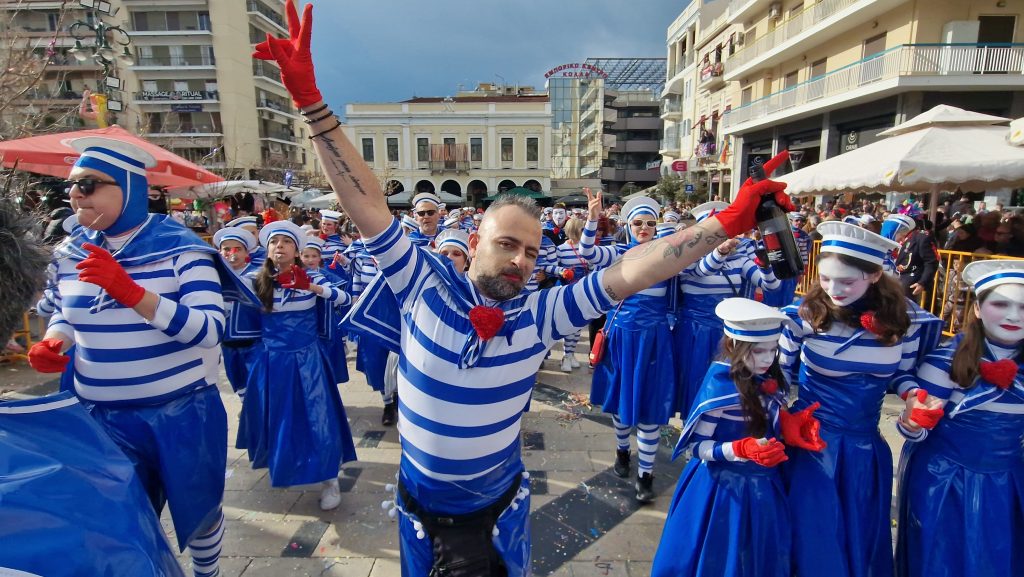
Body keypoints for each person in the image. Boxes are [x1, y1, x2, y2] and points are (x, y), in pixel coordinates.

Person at [253, 6, 791, 573]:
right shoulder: (422, 283)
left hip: (495, 516)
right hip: (417, 511)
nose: (520, 259)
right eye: (508, 243)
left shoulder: (540, 315)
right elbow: (365, 201)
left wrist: (726, 222)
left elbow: (634, 271)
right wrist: (313, 105)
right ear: (477, 239)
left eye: (532, 252)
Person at [26, 137, 234, 577]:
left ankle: (207, 574)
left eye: (87, 184)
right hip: (100, 415)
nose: (75, 195)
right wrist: (56, 341)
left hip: (180, 412)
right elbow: (65, 311)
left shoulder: (182, 248)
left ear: (127, 187)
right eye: (72, 186)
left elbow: (210, 329)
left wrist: (133, 293)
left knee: (199, 511)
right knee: (120, 517)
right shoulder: (69, 252)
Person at [779, 221, 942, 577]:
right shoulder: (801, 318)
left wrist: (913, 396)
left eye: (847, 281)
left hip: (865, 451)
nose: (833, 290)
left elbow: (903, 373)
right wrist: (783, 419)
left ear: (874, 275)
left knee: (859, 541)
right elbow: (775, 379)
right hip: (809, 445)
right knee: (812, 541)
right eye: (824, 279)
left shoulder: (907, 322)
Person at [651, 298, 807, 577]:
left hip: (765, 486)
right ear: (734, 346)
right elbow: (696, 448)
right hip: (721, 491)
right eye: (758, 351)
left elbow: (768, 422)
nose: (767, 359)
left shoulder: (768, 381)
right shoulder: (720, 387)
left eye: (773, 350)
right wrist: (738, 449)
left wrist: (787, 424)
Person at [894, 259, 1024, 577]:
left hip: (1008, 483)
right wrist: (912, 422)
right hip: (946, 483)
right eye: (1000, 304)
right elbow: (917, 430)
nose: (1013, 316)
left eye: (1023, 307)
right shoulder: (944, 362)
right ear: (977, 308)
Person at [242, 220, 357, 511]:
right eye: (273, 242)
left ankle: (330, 478)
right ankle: (285, 464)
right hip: (272, 362)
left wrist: (312, 287)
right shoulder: (256, 280)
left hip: (308, 360)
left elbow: (346, 299)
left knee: (319, 418)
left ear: (296, 250)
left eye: (286, 242)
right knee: (278, 418)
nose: (278, 246)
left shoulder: (312, 277)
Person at [583, 194, 680, 502]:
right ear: (628, 224)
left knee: (650, 409)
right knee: (622, 405)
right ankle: (623, 451)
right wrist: (592, 218)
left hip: (655, 340)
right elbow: (586, 252)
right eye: (638, 223)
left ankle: (646, 476)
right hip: (621, 337)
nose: (644, 228)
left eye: (650, 223)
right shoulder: (617, 253)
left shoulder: (669, 256)